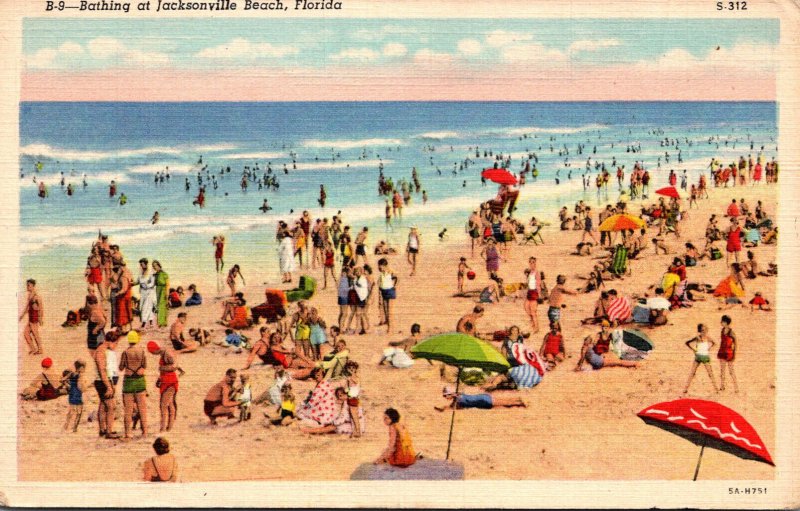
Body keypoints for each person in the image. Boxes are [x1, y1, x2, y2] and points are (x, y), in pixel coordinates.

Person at [299, 387, 366, 436]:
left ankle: (309, 431)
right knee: (330, 427)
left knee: (333, 427)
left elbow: (346, 417)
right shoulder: (347, 402)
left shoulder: (350, 402)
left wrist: (357, 430)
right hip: (353, 424)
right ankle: (312, 431)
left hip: (356, 427)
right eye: (338, 396)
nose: (339, 398)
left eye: (340, 395)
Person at [147, 341, 183, 432]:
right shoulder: (164, 353)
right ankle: (169, 427)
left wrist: (162, 368)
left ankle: (163, 428)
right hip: (167, 381)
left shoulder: (166, 353)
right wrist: (159, 378)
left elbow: (175, 366)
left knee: (163, 405)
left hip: (170, 382)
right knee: (169, 404)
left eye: (152, 352)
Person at [119, 331, 148, 439]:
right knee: (142, 408)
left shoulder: (126, 352)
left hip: (129, 381)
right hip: (140, 380)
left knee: (128, 410)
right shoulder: (141, 351)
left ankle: (128, 433)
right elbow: (144, 365)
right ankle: (144, 431)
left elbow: (121, 367)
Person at [93, 331, 121, 438]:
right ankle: (109, 431)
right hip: (102, 381)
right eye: (116, 344)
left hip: (101, 380)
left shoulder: (101, 350)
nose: (115, 347)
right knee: (111, 406)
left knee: (103, 405)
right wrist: (109, 386)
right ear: (110, 341)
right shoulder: (101, 351)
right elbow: (102, 370)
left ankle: (102, 429)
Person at [683, 324, 719, 393]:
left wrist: (709, 348)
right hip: (699, 356)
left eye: (705, 330)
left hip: (704, 356)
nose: (704, 331)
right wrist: (693, 350)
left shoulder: (707, 337)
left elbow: (714, 343)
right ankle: (685, 388)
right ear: (700, 331)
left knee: (710, 373)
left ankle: (716, 389)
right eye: (702, 330)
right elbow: (687, 343)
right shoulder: (698, 337)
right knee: (692, 373)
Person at [436, 386, 526, 411]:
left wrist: (443, 409)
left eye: (445, 395)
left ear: (450, 394)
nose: (445, 397)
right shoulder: (459, 395)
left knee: (504, 403)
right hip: (483, 396)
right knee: (503, 401)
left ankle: (519, 403)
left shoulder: (458, 400)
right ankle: (518, 400)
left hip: (483, 401)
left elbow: (453, 408)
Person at [19, 279, 44, 355]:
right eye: (27, 285)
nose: (27, 287)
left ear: (33, 286)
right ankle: (33, 349)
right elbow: (27, 307)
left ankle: (40, 350)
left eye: (28, 285)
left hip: (34, 319)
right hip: (30, 319)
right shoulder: (29, 296)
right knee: (26, 334)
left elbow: (41, 308)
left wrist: (40, 318)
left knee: (35, 334)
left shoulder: (36, 297)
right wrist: (22, 315)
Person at [62, 359, 87, 432]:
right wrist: (84, 389)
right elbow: (80, 386)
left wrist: (68, 385)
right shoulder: (80, 375)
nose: (85, 369)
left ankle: (66, 426)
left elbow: (63, 380)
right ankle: (74, 428)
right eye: (84, 368)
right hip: (77, 395)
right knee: (79, 412)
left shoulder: (71, 373)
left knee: (71, 411)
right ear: (81, 368)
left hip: (71, 394)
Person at [717, 315, 740, 393]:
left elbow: (736, 343)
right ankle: (722, 386)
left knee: (731, 371)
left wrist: (735, 354)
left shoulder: (731, 332)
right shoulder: (722, 330)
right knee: (722, 370)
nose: (721, 323)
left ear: (726, 323)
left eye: (722, 321)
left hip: (729, 352)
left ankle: (736, 387)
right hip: (722, 351)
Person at [377, 258, 397, 333]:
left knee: (390, 311)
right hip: (383, 291)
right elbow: (379, 283)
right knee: (386, 311)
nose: (379, 268)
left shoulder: (390, 271)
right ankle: (389, 326)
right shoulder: (381, 273)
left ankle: (390, 328)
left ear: (384, 265)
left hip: (390, 291)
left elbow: (397, 278)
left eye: (380, 266)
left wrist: (394, 286)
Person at [136, 259, 156, 329]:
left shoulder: (151, 272)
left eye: (142, 264)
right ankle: (151, 323)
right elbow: (138, 281)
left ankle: (143, 324)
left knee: (146, 307)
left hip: (149, 292)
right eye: (140, 265)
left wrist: (147, 285)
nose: (141, 266)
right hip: (143, 292)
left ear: (146, 264)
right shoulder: (140, 272)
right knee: (143, 307)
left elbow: (153, 283)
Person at [523, 257, 541, 333]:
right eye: (530, 262)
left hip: (534, 292)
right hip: (530, 292)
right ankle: (533, 323)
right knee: (526, 307)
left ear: (535, 263)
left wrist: (539, 295)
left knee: (533, 311)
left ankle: (536, 327)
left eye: (533, 262)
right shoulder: (530, 272)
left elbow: (538, 284)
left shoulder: (537, 272)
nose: (531, 264)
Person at [153, 260, 169, 328]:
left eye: (155, 266)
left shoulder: (164, 274)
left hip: (163, 290)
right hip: (157, 291)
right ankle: (160, 323)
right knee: (158, 307)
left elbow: (167, 284)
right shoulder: (155, 275)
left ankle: (163, 323)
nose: (154, 267)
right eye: (153, 266)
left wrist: (167, 293)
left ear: (159, 265)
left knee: (162, 307)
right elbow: (153, 284)